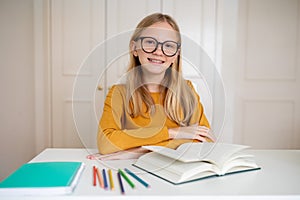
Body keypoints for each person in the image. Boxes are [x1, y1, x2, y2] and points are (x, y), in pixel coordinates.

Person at [94, 13, 215, 160]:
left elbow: (206, 140)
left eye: (169, 45)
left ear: (176, 54)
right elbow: (106, 143)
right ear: (134, 48)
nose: (158, 52)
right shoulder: (118, 93)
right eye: (150, 42)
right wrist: (174, 133)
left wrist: (139, 151)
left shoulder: (187, 91)